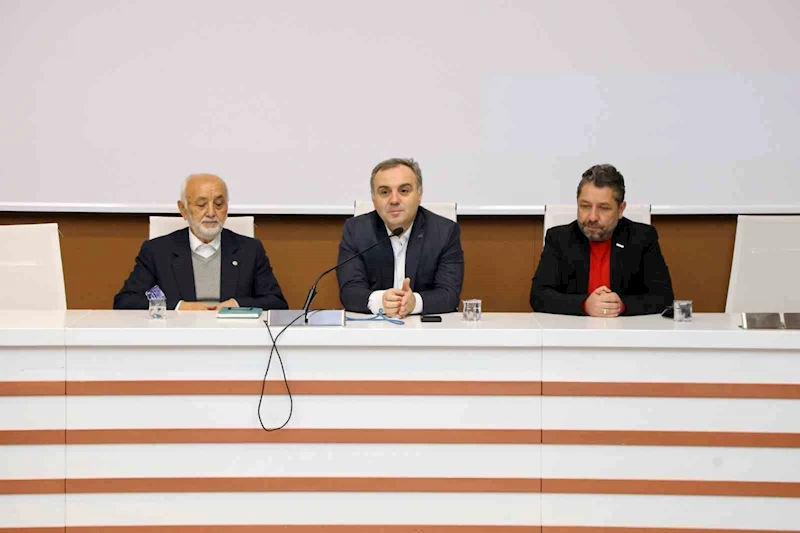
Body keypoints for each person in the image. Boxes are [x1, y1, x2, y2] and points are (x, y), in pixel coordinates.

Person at [113, 173, 288, 311]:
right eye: (201, 205)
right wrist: (179, 307)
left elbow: (277, 303)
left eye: (219, 204)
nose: (211, 213)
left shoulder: (249, 250)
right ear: (183, 209)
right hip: (178, 338)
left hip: (233, 337)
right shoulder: (157, 251)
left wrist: (237, 305)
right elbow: (125, 302)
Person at [530, 164, 673, 316]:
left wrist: (621, 305)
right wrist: (584, 304)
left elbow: (663, 297)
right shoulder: (559, 238)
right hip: (572, 328)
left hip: (627, 329)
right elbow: (538, 296)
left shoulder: (642, 238)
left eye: (603, 208)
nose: (592, 217)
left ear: (620, 209)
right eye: (585, 206)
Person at [336, 158, 464, 317]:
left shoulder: (444, 232)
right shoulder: (356, 230)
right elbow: (349, 291)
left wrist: (415, 302)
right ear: (374, 198)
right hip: (373, 327)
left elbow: (449, 294)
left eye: (404, 191)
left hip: (425, 328)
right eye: (384, 192)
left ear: (419, 194)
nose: (394, 200)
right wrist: (380, 301)